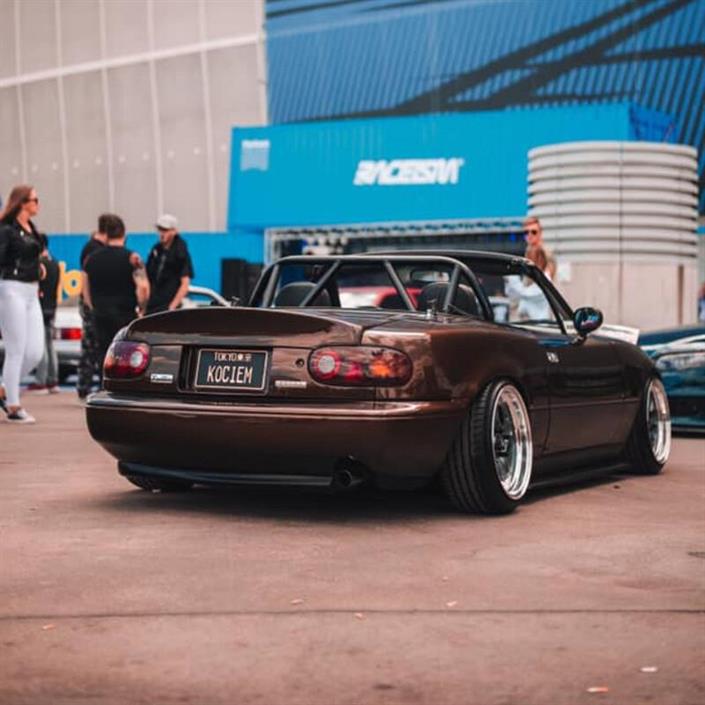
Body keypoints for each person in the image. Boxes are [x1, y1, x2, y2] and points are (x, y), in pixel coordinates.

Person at [0, 185, 46, 423]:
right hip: (12, 289)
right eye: (35, 199)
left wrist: (38, 268)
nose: (38, 204)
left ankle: (3, 387)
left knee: (35, 352)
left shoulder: (32, 228)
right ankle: (14, 406)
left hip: (31, 290)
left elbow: (30, 255)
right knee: (15, 350)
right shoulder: (6, 230)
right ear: (22, 202)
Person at [83, 214, 150, 371]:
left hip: (100, 315)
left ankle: (105, 383)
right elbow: (143, 287)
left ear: (106, 235)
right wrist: (142, 308)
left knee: (104, 356)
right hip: (124, 314)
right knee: (126, 357)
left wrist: (93, 307)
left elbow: (85, 290)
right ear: (124, 235)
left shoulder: (91, 259)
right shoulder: (132, 259)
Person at [76, 228, 107, 399]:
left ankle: (84, 385)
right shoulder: (94, 249)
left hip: (90, 302)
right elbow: (87, 277)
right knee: (92, 346)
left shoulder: (90, 248)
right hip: (92, 303)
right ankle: (85, 385)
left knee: (89, 347)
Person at [29, 233, 61, 394]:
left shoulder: (38, 264)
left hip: (40, 308)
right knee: (49, 344)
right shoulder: (54, 263)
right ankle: (52, 380)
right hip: (51, 308)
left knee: (41, 344)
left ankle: (40, 381)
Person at [146, 214, 193, 314]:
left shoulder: (181, 252)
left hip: (168, 307)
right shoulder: (156, 250)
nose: (162, 233)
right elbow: (147, 278)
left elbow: (185, 284)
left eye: (165, 230)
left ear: (174, 231)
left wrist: (171, 308)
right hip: (152, 306)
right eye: (160, 230)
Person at [522, 216, 557, 280]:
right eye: (526, 232)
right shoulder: (528, 250)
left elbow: (548, 279)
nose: (529, 235)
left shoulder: (546, 252)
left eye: (534, 232)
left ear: (540, 233)